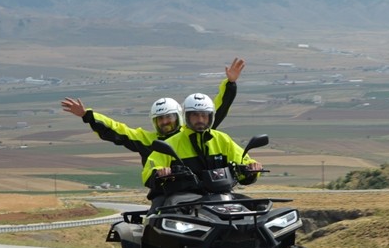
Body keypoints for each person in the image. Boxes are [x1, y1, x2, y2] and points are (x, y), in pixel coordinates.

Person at [60, 58, 244, 165]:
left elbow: (217, 108)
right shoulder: (147, 140)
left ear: (180, 117)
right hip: (167, 195)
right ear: (154, 122)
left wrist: (230, 84)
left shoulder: (196, 132)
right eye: (161, 119)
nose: (165, 122)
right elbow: (116, 130)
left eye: (169, 118)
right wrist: (88, 115)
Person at [143, 92, 264, 198]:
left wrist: (251, 168)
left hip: (221, 196)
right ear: (186, 116)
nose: (200, 119)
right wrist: (159, 172)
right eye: (195, 115)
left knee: (254, 210)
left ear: (210, 116)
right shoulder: (170, 144)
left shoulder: (222, 139)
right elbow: (150, 169)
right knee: (158, 213)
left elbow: (243, 161)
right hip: (182, 200)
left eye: (204, 115)